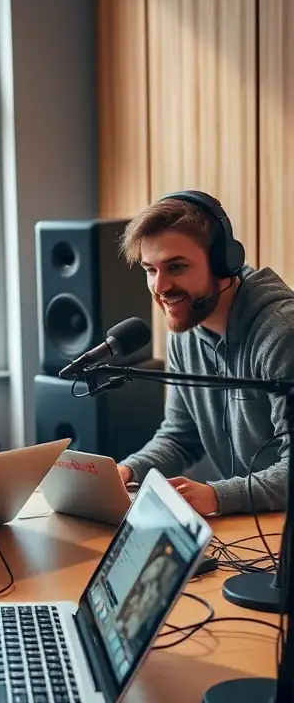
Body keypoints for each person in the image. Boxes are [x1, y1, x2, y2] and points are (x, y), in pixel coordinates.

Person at [116, 190, 294, 515]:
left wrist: (215, 496)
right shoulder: (187, 328)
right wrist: (128, 471)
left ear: (223, 264)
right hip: (255, 527)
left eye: (177, 267)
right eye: (150, 270)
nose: (160, 286)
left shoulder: (283, 334)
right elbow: (180, 436)